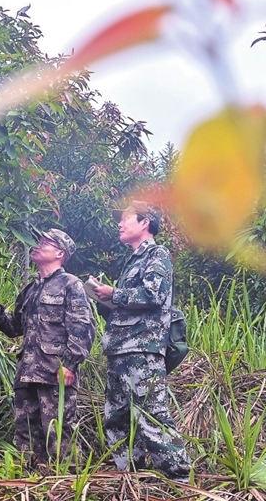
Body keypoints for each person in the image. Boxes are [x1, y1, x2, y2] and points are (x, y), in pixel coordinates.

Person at [88, 201, 191, 481]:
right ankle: (128, 476)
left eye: (125, 218)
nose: (120, 224)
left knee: (152, 415)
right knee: (117, 416)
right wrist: (103, 297)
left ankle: (179, 478)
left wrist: (116, 294)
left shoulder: (157, 255)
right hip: (120, 350)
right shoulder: (132, 260)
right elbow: (129, 305)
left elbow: (153, 296)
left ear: (145, 222)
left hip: (142, 350)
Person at [0, 229, 95, 467]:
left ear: (59, 253)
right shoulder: (30, 289)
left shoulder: (70, 285)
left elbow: (82, 329)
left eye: (46, 243)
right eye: (40, 241)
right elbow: (14, 328)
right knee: (26, 434)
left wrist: (70, 365)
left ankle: (65, 482)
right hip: (27, 373)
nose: (38, 245)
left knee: (60, 432)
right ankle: (30, 482)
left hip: (55, 373)